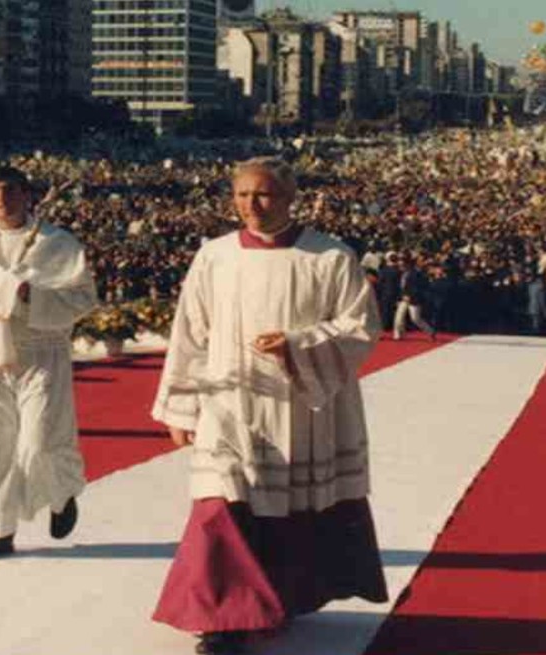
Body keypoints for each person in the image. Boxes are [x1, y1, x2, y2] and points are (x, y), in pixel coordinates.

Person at [150, 157, 388, 655]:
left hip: (299, 407)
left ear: (289, 197)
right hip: (227, 402)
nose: (250, 206)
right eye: (241, 195)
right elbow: (189, 331)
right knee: (220, 502)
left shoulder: (329, 257)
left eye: (262, 195)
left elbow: (360, 328)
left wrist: (296, 345)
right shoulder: (214, 256)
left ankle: (274, 598)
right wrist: (180, 406)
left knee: (283, 506)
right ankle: (222, 620)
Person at [0, 165, 99, 560]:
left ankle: (61, 494)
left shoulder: (58, 244)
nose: (2, 199)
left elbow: (83, 299)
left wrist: (30, 296)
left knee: (39, 439)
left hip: (41, 349)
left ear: (27, 194)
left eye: (10, 190)